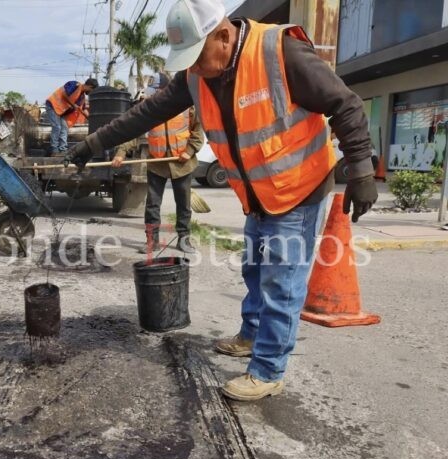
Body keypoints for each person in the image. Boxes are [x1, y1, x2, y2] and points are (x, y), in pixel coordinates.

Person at [64, 0, 378, 401]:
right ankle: (251, 334)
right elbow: (147, 113)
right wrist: (95, 143)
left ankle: (267, 370)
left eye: (197, 56)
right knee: (254, 271)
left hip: (299, 189)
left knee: (282, 284)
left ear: (224, 36)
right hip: (258, 194)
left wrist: (362, 170)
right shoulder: (196, 75)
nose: (193, 68)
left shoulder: (280, 52)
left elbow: (345, 103)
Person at [112, 73, 205, 254]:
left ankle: (184, 240)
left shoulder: (187, 106)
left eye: (156, 91)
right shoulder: (149, 108)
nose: (153, 95)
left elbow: (198, 129)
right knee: (153, 204)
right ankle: (152, 241)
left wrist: (190, 150)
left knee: (183, 204)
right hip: (157, 163)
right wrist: (121, 152)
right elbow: (134, 132)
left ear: (166, 90)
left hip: (182, 162)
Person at [45, 78, 98, 155]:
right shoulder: (75, 85)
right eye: (91, 90)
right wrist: (73, 105)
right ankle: (54, 150)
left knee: (64, 128)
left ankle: (62, 149)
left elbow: (82, 110)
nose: (90, 93)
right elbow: (64, 94)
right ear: (89, 86)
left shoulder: (82, 97)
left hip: (61, 111)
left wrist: (91, 119)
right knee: (57, 127)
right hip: (53, 105)